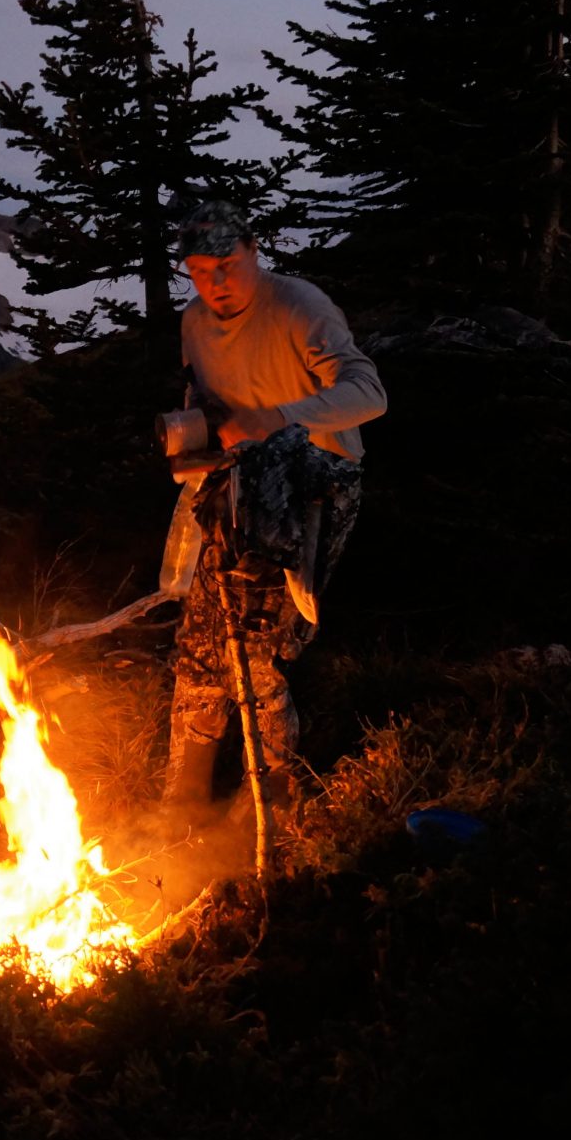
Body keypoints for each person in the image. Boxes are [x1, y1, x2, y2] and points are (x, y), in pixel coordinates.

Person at [162, 199, 388, 815]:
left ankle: (271, 800)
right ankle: (182, 799)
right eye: (202, 270)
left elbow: (369, 393)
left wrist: (282, 419)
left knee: (261, 643)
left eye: (228, 264)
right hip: (240, 486)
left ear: (254, 253)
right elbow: (209, 401)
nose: (218, 282)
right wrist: (196, 436)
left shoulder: (298, 307)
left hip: (319, 481)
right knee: (202, 638)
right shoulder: (194, 325)